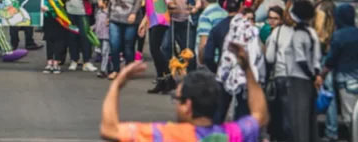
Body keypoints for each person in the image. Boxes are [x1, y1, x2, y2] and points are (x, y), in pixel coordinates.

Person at [99, 43, 268, 142]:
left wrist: (117, 84)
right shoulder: (232, 134)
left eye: (177, 98)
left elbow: (109, 129)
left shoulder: (166, 135)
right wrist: (247, 70)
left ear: (188, 105)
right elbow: (260, 115)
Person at [265, 0, 321, 142]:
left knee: (290, 115)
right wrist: (315, 75)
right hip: (308, 79)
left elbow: (271, 57)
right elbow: (315, 58)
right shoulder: (311, 32)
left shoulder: (280, 32)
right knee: (307, 116)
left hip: (289, 77)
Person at [322, 3, 358, 142]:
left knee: (349, 117)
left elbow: (331, 59)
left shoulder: (338, 36)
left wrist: (322, 73)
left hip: (345, 81)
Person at [139, 0, 170, 93]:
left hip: (160, 16)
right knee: (154, 50)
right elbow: (148, 5)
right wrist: (143, 22)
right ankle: (161, 80)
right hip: (151, 18)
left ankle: (168, 78)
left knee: (155, 49)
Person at [108, 0, 142, 80]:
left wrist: (133, 13)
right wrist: (108, 16)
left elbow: (138, 1)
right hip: (114, 18)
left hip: (130, 20)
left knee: (129, 45)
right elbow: (110, 2)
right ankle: (115, 69)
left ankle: (128, 69)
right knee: (114, 44)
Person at [67, 0, 96, 72]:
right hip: (69, 9)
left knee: (85, 36)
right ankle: (74, 60)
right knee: (72, 36)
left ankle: (87, 61)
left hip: (83, 9)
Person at [43, 0, 70, 74]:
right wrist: (45, 5)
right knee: (49, 37)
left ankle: (57, 62)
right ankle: (49, 61)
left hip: (59, 11)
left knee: (59, 37)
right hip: (47, 11)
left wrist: (57, 7)